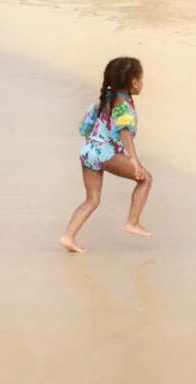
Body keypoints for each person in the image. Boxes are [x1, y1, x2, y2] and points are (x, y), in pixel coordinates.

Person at [59, 57, 152, 253]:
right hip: (104, 153)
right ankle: (132, 222)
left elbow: (85, 125)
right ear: (134, 82)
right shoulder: (123, 105)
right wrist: (134, 161)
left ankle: (68, 237)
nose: (142, 83)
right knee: (145, 179)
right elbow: (124, 132)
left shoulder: (106, 97)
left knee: (92, 200)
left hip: (88, 150)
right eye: (141, 79)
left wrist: (94, 142)